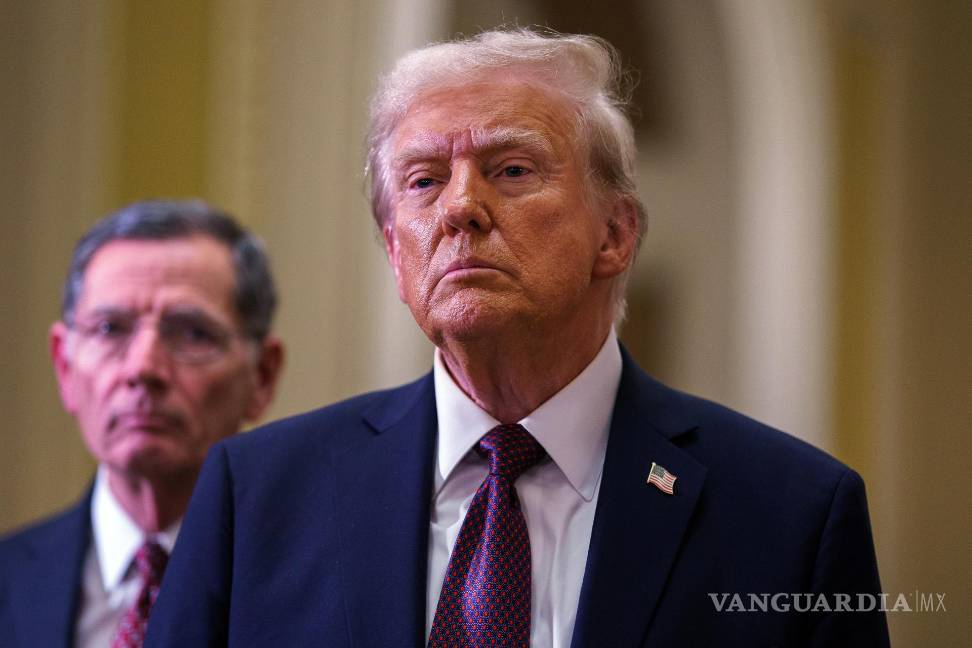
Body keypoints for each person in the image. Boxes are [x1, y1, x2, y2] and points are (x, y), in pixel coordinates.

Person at [146, 30, 889, 647]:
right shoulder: (256, 496)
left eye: (511, 169)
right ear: (396, 255)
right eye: (424, 181)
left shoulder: (792, 515)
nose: (461, 207)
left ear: (615, 234)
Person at [0, 200, 284, 648]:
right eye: (110, 329)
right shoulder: (10, 579)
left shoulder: (317, 585)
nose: (142, 367)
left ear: (262, 376)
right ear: (64, 366)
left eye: (192, 333)